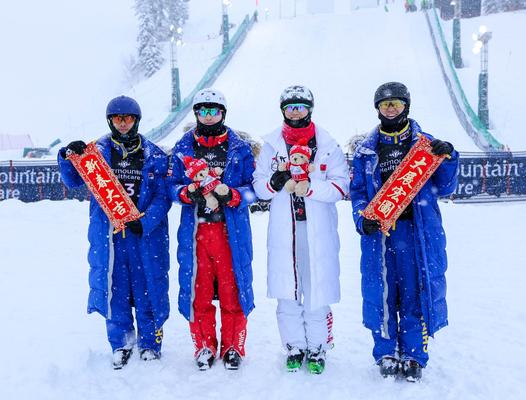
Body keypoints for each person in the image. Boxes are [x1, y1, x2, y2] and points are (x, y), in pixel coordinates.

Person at [350, 82, 458, 382]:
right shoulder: (366, 151)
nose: (391, 109)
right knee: (382, 294)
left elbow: (446, 187)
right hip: (380, 235)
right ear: (378, 110)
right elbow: (357, 191)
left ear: (406, 106)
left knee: (414, 293)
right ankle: (385, 350)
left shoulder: (425, 145)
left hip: (416, 233)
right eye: (385, 105)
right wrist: (362, 218)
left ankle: (413, 353)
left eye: (396, 104)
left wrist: (448, 158)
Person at [57, 95, 171, 370]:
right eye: (117, 119)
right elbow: (72, 181)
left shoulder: (154, 154)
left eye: (128, 118)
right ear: (110, 121)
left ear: (136, 120)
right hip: (110, 238)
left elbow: (163, 196)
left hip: (143, 235)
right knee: (115, 291)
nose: (122, 124)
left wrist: (146, 222)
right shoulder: (96, 152)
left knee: (147, 288)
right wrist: (67, 156)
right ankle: (121, 343)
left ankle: (150, 343)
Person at [253, 85, 350, 374]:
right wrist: (275, 181)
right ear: (282, 110)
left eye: (301, 106)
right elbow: (259, 185)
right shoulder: (271, 145)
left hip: (316, 230)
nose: (295, 111)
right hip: (286, 230)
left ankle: (318, 347)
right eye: (290, 106)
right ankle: (294, 345)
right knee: (287, 290)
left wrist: (312, 188)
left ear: (310, 109)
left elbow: (340, 186)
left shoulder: (327, 144)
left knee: (315, 288)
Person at [168, 88, 255, 371]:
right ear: (195, 114)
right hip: (196, 234)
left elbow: (254, 189)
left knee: (233, 291)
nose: (208, 116)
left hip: (230, 232)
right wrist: (186, 192)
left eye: (213, 111)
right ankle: (204, 345)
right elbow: (169, 187)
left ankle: (233, 346)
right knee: (199, 291)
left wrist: (233, 195)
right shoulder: (182, 148)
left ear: (223, 114)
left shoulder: (239, 148)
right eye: (202, 111)